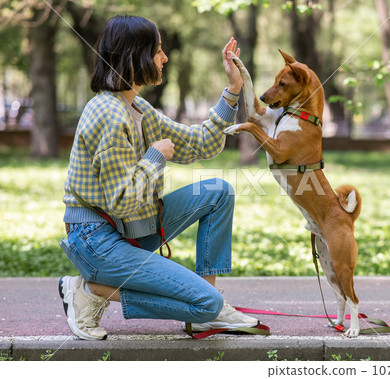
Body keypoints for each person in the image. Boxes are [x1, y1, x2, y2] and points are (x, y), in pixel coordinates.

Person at [58, 15, 259, 340]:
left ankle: (209, 311)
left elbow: (201, 142)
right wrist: (155, 157)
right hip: (95, 240)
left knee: (218, 191)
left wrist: (233, 90)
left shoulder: (135, 108)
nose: (164, 58)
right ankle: (91, 291)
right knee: (205, 304)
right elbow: (121, 201)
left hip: (126, 228)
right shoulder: (109, 116)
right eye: (158, 51)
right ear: (135, 56)